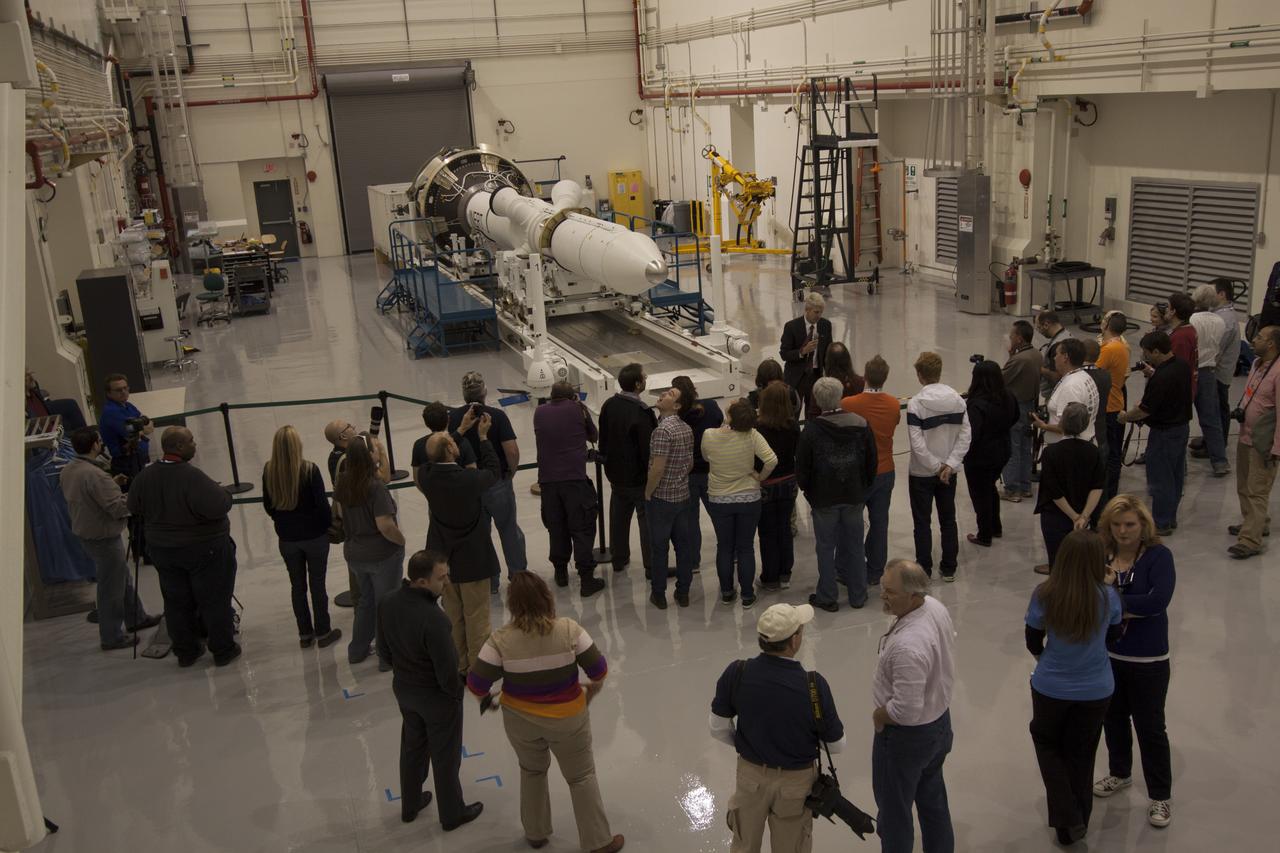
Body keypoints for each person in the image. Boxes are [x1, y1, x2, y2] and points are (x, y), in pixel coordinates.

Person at [467, 573, 623, 853]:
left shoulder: (499, 641)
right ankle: (599, 842)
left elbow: (476, 683)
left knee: (532, 771)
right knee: (581, 777)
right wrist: (590, 691)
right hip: (568, 720)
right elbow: (599, 671)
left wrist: (489, 701)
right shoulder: (569, 630)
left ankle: (536, 833)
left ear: (513, 604)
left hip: (520, 721)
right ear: (546, 598)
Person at [709, 603, 846, 853]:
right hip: (796, 784)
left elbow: (717, 727)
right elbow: (836, 745)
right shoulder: (814, 685)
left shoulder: (737, 672)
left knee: (743, 843)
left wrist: (747, 743)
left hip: (750, 777)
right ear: (794, 641)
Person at [1024, 530, 1123, 846]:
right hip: (1096, 689)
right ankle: (1077, 819)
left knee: (1046, 742)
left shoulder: (1045, 594)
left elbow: (1032, 637)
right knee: (1082, 752)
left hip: (1051, 685)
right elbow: (1115, 636)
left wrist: (1045, 657)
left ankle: (1067, 817)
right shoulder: (1108, 597)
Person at [377, 550, 484, 831]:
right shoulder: (435, 619)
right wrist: (456, 695)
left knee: (412, 747)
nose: (447, 582)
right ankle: (452, 813)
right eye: (441, 577)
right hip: (436, 698)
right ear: (422, 582)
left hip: (404, 690)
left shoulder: (388, 602)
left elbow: (384, 653)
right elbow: (447, 671)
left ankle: (410, 804)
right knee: (445, 757)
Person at [1092, 495, 1176, 830]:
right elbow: (1089, 593)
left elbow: (1158, 601)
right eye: (1116, 525)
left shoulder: (1159, 556)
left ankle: (1160, 795)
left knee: (1151, 727)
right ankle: (1120, 773)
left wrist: (1112, 601)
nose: (1123, 531)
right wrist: (1124, 605)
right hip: (1109, 656)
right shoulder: (1102, 554)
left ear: (1143, 525)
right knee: (1112, 720)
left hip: (1149, 659)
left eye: (1130, 524)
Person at [127, 427, 239, 667]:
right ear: (178, 447)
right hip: (202, 548)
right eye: (190, 441)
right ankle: (222, 649)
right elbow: (219, 505)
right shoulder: (191, 476)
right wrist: (223, 493)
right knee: (214, 599)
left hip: (162, 551)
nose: (195, 444)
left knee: (176, 601)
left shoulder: (145, 476)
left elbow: (133, 505)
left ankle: (186, 651)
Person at [873, 559, 957, 853]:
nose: (883, 596)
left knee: (894, 815)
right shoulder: (933, 607)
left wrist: (880, 715)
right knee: (933, 801)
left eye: (890, 592)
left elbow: (906, 711)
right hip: (939, 725)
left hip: (907, 738)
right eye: (883, 588)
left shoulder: (909, 645)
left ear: (913, 594)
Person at [60, 426, 160, 650]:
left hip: (88, 533)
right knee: (111, 588)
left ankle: (136, 617)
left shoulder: (70, 469)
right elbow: (116, 508)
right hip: (103, 536)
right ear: (95, 444)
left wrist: (111, 485)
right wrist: (134, 497)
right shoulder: (95, 475)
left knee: (121, 579)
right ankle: (111, 636)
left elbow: (87, 496)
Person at [421, 423, 501, 673]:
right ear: (450, 449)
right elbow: (493, 470)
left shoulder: (426, 475)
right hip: (473, 557)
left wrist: (458, 431)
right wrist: (484, 438)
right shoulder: (469, 479)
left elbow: (438, 455)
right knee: (477, 617)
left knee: (453, 616)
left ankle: (459, 664)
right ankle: (477, 669)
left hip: (442, 559)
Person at [797, 377, 877, 611]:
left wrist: (809, 492)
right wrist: (863, 488)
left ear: (817, 400)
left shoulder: (811, 430)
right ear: (840, 396)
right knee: (855, 545)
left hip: (823, 498)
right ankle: (858, 594)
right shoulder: (861, 424)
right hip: (854, 495)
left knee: (825, 547)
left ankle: (827, 595)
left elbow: (802, 468)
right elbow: (871, 462)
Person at [262, 425, 341, 649]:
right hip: (314, 536)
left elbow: (268, 505)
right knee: (318, 585)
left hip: (287, 538)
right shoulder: (309, 470)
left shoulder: (269, 470)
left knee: (297, 586)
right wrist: (328, 528)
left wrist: (283, 521)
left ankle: (304, 633)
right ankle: (323, 631)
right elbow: (322, 507)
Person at [448, 371, 528, 590]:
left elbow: (449, 450)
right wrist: (510, 472)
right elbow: (511, 450)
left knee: (480, 535)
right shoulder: (496, 416)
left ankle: (490, 581)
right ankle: (519, 576)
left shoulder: (454, 418)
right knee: (509, 529)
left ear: (464, 394)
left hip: (469, 486)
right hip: (496, 482)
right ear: (484, 391)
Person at [334, 433, 406, 667]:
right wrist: (401, 540)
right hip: (381, 554)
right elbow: (385, 524)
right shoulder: (375, 488)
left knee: (366, 601)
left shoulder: (343, 481)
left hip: (354, 553)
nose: (379, 451)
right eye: (376, 449)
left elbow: (340, 515)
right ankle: (387, 657)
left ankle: (357, 649)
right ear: (369, 456)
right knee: (387, 605)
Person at [701, 399, 777, 609]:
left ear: (731, 418)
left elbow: (706, 457)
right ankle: (747, 594)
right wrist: (760, 477)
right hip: (748, 498)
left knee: (724, 547)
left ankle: (726, 592)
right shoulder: (752, 436)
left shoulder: (709, 435)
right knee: (745, 547)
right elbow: (771, 460)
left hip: (719, 498)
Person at [534, 382, 605, 596]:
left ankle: (561, 572)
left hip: (547, 482)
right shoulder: (578, 409)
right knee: (582, 528)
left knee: (556, 527)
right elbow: (593, 436)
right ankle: (586, 579)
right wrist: (581, 409)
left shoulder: (539, 412)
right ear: (572, 397)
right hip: (574, 481)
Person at [1118, 332, 1193, 535]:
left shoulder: (1162, 378)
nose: (1145, 356)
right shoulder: (1182, 365)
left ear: (1157, 351)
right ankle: (1170, 517)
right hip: (1181, 428)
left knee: (1160, 479)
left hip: (1164, 433)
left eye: (1147, 353)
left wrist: (1125, 416)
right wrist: (1154, 374)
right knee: (1175, 475)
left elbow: (1144, 410)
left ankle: (1160, 522)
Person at [906, 353, 971, 581]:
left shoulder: (915, 404)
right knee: (948, 519)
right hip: (948, 474)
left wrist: (935, 466)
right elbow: (965, 436)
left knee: (922, 522)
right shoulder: (958, 400)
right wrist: (949, 465)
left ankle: (924, 567)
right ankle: (949, 567)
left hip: (921, 473)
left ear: (920, 375)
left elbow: (917, 444)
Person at [842, 355, 901, 586]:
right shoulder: (894, 404)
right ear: (885, 378)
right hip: (885, 469)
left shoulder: (849, 404)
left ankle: (848, 567)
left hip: (858, 472)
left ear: (864, 377)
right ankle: (875, 569)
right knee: (879, 522)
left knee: (852, 522)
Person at [323, 417, 391, 610]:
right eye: (349, 426)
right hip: (361, 515)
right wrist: (382, 453)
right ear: (343, 435)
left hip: (349, 512)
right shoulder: (350, 460)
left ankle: (361, 600)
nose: (353, 427)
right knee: (361, 564)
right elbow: (384, 478)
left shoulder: (334, 456)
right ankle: (363, 602)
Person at [598, 363, 657, 575]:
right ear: (638, 384)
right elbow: (647, 449)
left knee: (618, 518)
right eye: (644, 376)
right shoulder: (641, 412)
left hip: (616, 475)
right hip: (638, 478)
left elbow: (602, 438)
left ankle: (618, 558)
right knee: (645, 521)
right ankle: (651, 565)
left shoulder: (609, 405)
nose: (646, 378)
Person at [1034, 403, 1105, 575]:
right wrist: (1083, 517)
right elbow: (1097, 486)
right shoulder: (1093, 451)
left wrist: (1073, 516)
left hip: (1056, 515)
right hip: (1084, 515)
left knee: (1058, 564)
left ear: (1062, 423)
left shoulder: (1051, 453)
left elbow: (1053, 490)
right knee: (1082, 566)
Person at [1229, 324, 1280, 559]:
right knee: (1244, 485)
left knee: (1257, 490)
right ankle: (1256, 522)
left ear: (1271, 344)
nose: (1253, 339)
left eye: (1259, 337)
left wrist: (1276, 448)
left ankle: (1251, 540)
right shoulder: (1257, 364)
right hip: (1246, 435)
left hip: (1264, 443)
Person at [645, 385, 697, 609]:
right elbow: (690, 463)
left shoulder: (662, 431)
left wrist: (648, 492)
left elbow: (657, 468)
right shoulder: (686, 429)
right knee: (683, 547)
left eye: (670, 394)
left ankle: (659, 594)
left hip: (662, 499)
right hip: (682, 495)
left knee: (659, 548)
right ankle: (683, 592)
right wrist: (678, 478)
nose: (663, 394)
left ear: (676, 406)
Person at [963, 361, 1019, 547]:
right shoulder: (1009, 396)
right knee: (990, 488)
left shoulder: (977, 404)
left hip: (980, 458)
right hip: (1002, 451)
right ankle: (995, 526)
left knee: (980, 495)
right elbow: (1016, 416)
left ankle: (984, 534)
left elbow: (973, 433)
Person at [754, 382, 800, 592]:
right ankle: (785, 574)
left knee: (767, 532)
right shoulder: (792, 426)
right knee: (785, 529)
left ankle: (769, 576)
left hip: (766, 484)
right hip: (789, 482)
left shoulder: (758, 428)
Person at [673, 374, 724, 557]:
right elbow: (720, 426)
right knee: (718, 515)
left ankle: (693, 560)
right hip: (711, 470)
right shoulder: (710, 406)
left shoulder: (677, 416)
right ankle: (729, 551)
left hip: (688, 473)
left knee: (690, 520)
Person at [1187, 285, 1231, 476]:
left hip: (1190, 371)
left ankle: (1181, 466)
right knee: (1211, 419)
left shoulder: (1191, 320)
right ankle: (1220, 461)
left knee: (1180, 418)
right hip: (1208, 372)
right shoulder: (1220, 321)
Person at [1001, 321, 1042, 502]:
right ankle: (1025, 486)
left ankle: (1012, 489)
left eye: (1012, 336)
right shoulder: (1036, 355)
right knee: (1026, 447)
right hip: (1030, 406)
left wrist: (1009, 357)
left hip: (1015, 407)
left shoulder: (1019, 360)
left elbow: (1001, 379)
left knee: (1012, 447)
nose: (1010, 339)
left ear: (1019, 338)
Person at [1032, 338, 1099, 446]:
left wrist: (1043, 426)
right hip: (1082, 443)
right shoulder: (1084, 376)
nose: (1054, 358)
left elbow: (1068, 426)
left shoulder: (1071, 387)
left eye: (1057, 354)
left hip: (1067, 450)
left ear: (1065, 357)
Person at [1095, 312, 1131, 502]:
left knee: (1109, 455)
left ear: (1107, 324)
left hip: (1109, 406)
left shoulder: (1109, 349)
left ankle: (1107, 495)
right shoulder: (1121, 346)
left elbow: (1092, 371)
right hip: (1115, 402)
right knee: (1113, 453)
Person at [780, 290, 833, 418]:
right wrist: (802, 352)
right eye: (816, 312)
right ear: (807, 309)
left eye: (821, 312)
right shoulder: (791, 327)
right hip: (796, 377)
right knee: (793, 413)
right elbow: (784, 354)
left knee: (814, 413)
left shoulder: (825, 325)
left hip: (815, 376)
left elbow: (828, 351)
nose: (819, 315)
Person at [99, 373, 154, 480]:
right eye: (119, 390)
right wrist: (142, 429)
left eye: (125, 388)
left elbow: (147, 423)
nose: (123, 392)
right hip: (127, 463)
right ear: (109, 393)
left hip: (139, 459)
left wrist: (141, 429)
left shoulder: (128, 405)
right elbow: (131, 433)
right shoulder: (111, 412)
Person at [1208, 278, 1243, 443]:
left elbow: (1216, 351)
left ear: (1221, 294)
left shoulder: (1225, 320)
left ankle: (1218, 442)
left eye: (1211, 293)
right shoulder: (1219, 314)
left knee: (1218, 408)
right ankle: (1213, 439)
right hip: (1218, 370)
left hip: (1219, 373)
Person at [410, 401, 475, 484]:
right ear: (448, 419)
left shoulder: (418, 445)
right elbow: (472, 473)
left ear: (426, 423)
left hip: (433, 493)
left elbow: (417, 478)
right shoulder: (463, 443)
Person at [1163, 293, 1199, 397]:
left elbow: (1176, 369)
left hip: (1177, 392)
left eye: (1168, 307)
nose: (1165, 309)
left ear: (1173, 311)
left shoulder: (1181, 337)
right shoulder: (1188, 330)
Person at [1035, 311, 1073, 403]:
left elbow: (1056, 377)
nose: (1039, 331)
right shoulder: (1067, 335)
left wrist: (1039, 368)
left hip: (1055, 396)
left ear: (1046, 324)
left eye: (1039, 328)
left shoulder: (1057, 347)